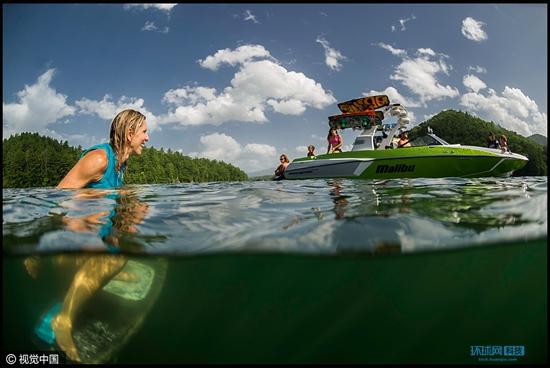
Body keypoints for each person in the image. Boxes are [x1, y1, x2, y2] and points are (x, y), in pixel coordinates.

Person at [46, 109, 149, 361]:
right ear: (130, 133)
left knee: (126, 239)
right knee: (116, 258)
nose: (147, 138)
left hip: (88, 243)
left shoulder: (121, 165)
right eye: (144, 132)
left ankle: (104, 266)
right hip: (65, 245)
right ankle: (64, 319)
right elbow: (55, 199)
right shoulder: (100, 159)